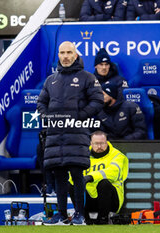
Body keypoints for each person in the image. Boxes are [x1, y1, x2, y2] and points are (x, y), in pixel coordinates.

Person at [37, 41, 104, 225]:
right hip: (55, 135)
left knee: (76, 174)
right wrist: (47, 117)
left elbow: (98, 100)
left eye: (69, 52)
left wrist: (80, 117)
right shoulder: (51, 80)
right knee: (59, 175)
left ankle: (79, 214)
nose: (65, 56)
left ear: (75, 55)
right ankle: (61, 214)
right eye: (62, 52)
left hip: (77, 134)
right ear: (58, 55)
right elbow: (41, 102)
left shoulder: (87, 77)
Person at [69, 131, 128, 224]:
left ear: (107, 142)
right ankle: (83, 217)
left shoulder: (117, 156)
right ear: (91, 143)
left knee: (104, 183)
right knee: (73, 184)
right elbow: (72, 176)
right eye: (96, 143)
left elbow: (113, 172)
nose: (99, 146)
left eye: (102, 143)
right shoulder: (83, 156)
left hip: (111, 201)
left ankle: (103, 219)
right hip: (89, 199)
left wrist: (91, 177)